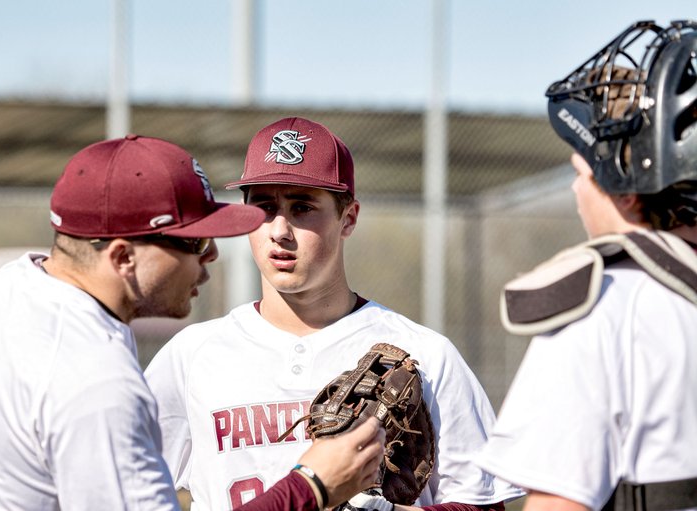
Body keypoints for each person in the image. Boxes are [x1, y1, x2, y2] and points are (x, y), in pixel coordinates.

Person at [0, 134, 386, 510]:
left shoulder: (2, 291)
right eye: (192, 242)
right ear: (123, 257)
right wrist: (312, 486)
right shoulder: (95, 380)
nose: (211, 255)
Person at [144, 117, 524, 510]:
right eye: (264, 206)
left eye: (302, 207)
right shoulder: (192, 355)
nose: (279, 230)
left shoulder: (426, 354)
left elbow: (483, 505)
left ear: (349, 218)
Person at [475, 20, 697, 511]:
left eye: (581, 171)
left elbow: (559, 504)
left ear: (629, 184)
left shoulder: (604, 310)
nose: (577, 190)